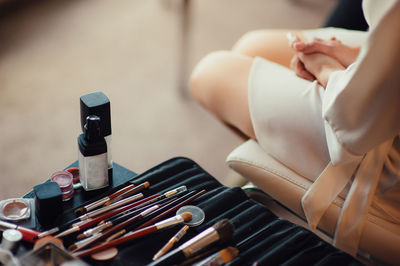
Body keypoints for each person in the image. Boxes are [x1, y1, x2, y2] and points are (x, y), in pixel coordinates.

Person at [189, 0, 400, 257]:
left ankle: (285, 170)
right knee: (252, 46)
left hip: (374, 139)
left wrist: (326, 69)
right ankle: (279, 153)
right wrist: (364, 57)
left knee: (210, 73)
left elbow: (353, 121)